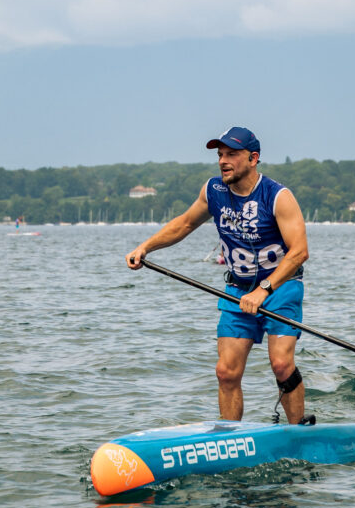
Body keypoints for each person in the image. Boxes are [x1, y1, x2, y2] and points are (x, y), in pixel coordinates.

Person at [125, 127, 310, 424]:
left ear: (253, 158)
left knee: (281, 364)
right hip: (237, 290)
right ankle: (231, 437)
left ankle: (299, 432)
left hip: (281, 287)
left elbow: (299, 252)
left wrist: (263, 289)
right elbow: (185, 224)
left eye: (232, 154)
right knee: (226, 371)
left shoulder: (278, 196)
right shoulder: (214, 191)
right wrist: (145, 247)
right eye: (220, 155)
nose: (223, 160)